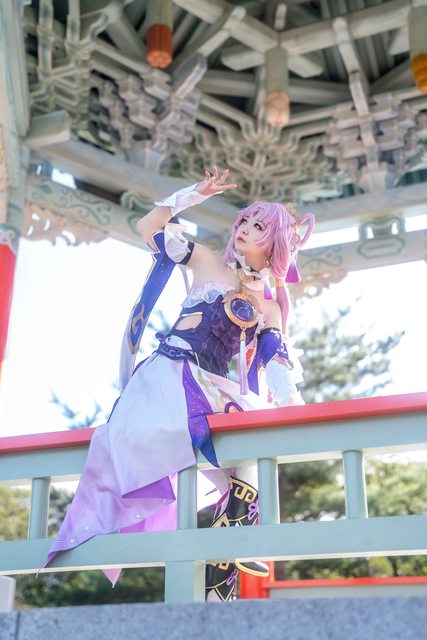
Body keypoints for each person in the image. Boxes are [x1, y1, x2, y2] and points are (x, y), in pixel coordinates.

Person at [44, 167, 315, 602]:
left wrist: (293, 405)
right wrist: (193, 195)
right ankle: (230, 539)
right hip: (168, 377)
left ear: (277, 243)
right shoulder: (207, 261)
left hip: (211, 387)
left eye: (258, 227)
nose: (244, 229)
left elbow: (276, 362)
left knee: (258, 440)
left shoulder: (269, 308)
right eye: (244, 221)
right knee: (228, 445)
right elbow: (147, 227)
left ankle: (225, 556)